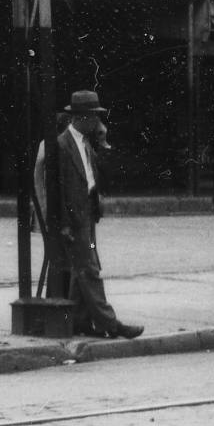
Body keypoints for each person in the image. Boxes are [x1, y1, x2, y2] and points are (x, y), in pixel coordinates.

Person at [36, 90, 141, 339]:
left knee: (82, 269)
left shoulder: (86, 144)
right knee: (88, 269)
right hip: (73, 222)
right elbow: (56, 190)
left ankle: (79, 320)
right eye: (94, 116)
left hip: (88, 219)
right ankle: (109, 322)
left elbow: (102, 177)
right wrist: (62, 224)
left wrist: (104, 144)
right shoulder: (61, 145)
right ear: (81, 117)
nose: (97, 122)